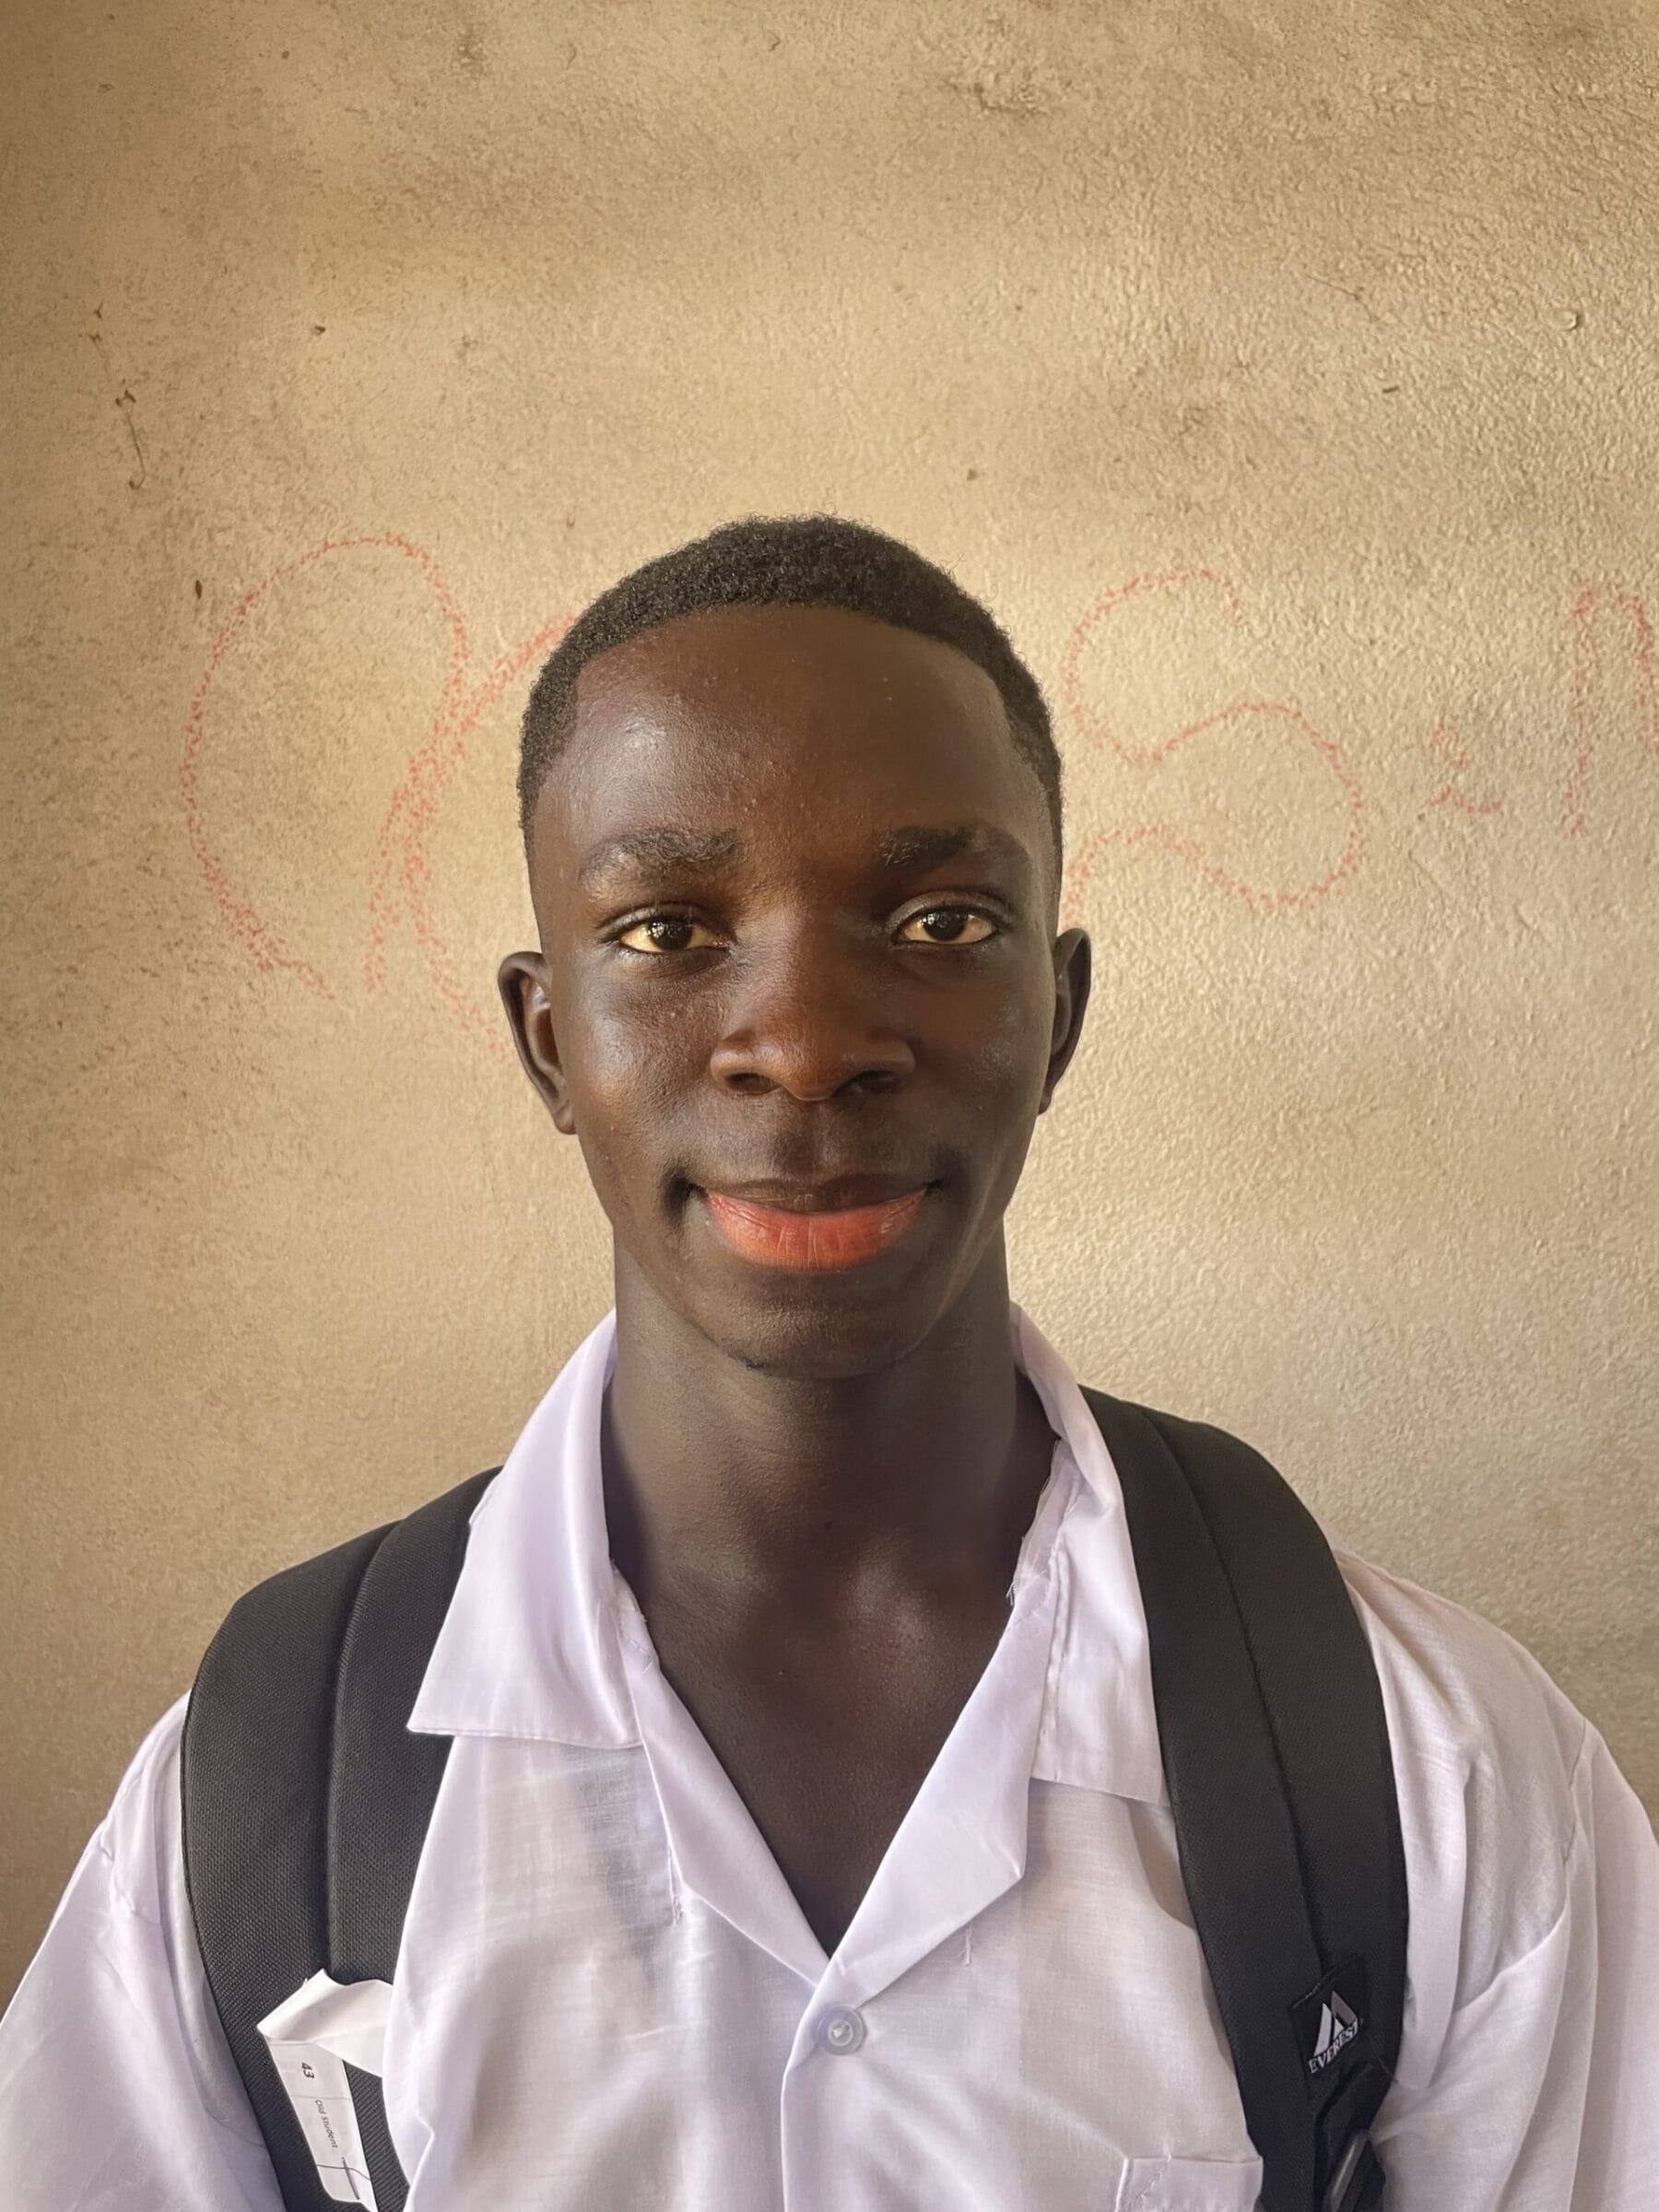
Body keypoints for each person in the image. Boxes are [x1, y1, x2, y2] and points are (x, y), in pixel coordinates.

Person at [2, 512, 1655, 2209]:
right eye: (667, 930)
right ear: (549, 1039)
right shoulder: (271, 1795)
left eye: (939, 921)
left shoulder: (1429, 1769)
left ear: (1059, 1016)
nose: (802, 1047)